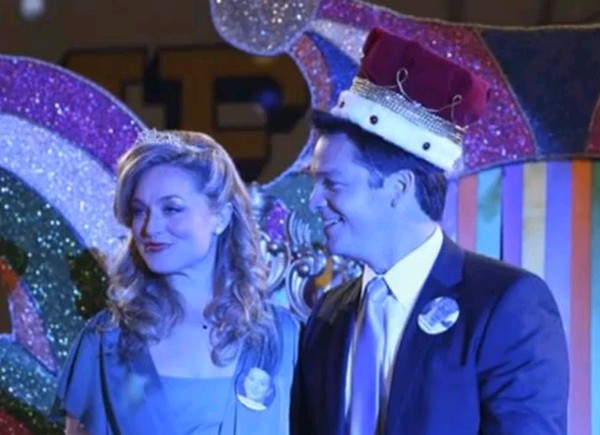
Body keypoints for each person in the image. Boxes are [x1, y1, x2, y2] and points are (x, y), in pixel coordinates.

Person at [291, 27, 569, 435]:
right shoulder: (328, 315)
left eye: (332, 183)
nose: (314, 200)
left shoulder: (506, 305)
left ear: (399, 188)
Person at [52, 130, 299, 435]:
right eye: (140, 211)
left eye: (171, 209)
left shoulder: (283, 337)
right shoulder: (104, 341)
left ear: (221, 217)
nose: (150, 227)